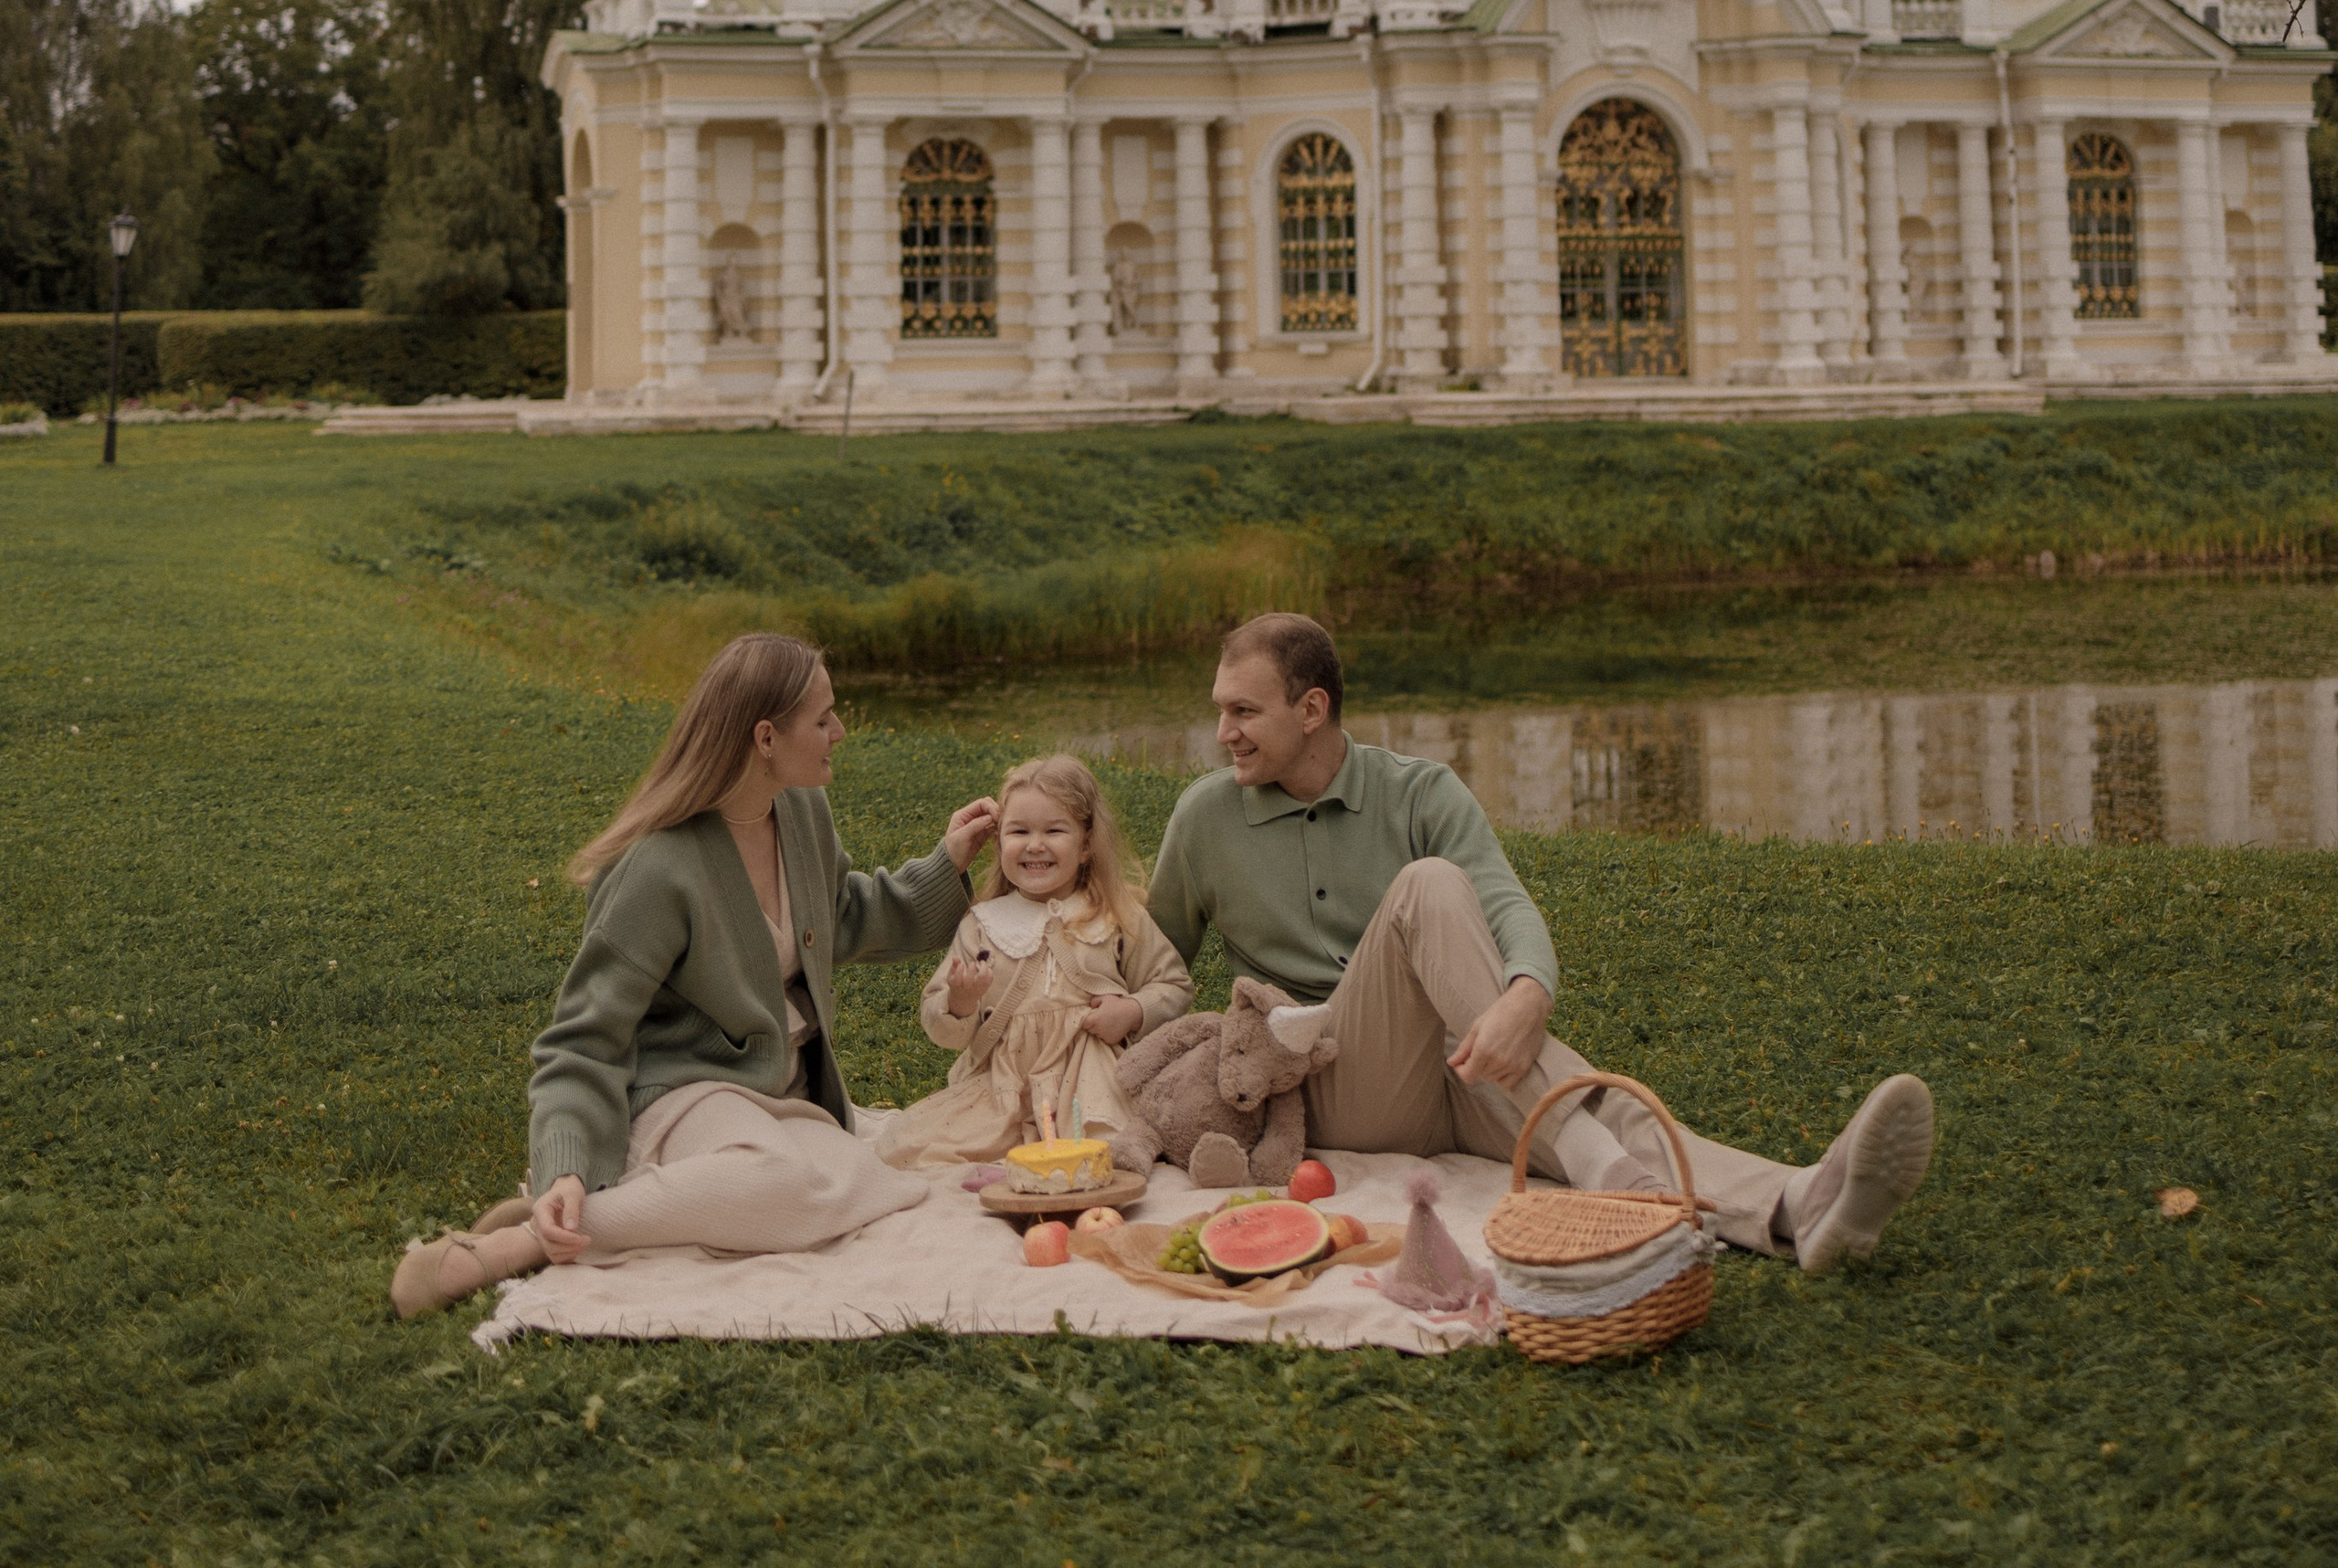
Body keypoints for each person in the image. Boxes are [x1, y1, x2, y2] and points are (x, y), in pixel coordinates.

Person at [1145, 612, 1935, 1272]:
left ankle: (1800, 1208)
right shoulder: (1205, 819)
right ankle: (1604, 1161)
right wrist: (1032, 866)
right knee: (1428, 885)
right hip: (1330, 1083)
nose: (1223, 733)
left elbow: (1506, 906)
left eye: (1243, 712)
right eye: (1223, 710)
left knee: (1590, 1106)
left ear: (1311, 710)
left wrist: (1527, 994)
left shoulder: (1420, 792)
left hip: (1461, 1070)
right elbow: (1149, 963)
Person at [389, 630, 996, 1318]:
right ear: (766, 738)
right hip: (680, 1090)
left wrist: (946, 866)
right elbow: (585, 1038)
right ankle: (529, 1238)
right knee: (789, 1183)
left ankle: (593, 1211)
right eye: (823, 718)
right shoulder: (659, 868)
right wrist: (564, 1163)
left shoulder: (799, 812)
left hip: (774, 1093)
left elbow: (840, 916)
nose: (841, 731)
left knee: (868, 1172)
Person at [870, 754, 1192, 1172]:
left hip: (1091, 1082)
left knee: (1110, 1151)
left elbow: (1172, 984)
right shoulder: (982, 924)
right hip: (1006, 1085)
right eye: (1019, 831)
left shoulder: (1115, 915)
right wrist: (961, 1004)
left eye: (1054, 830)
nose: (1035, 844)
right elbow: (943, 1026)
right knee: (915, 1148)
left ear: (1086, 844)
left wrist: (1131, 1011)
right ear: (1000, 842)